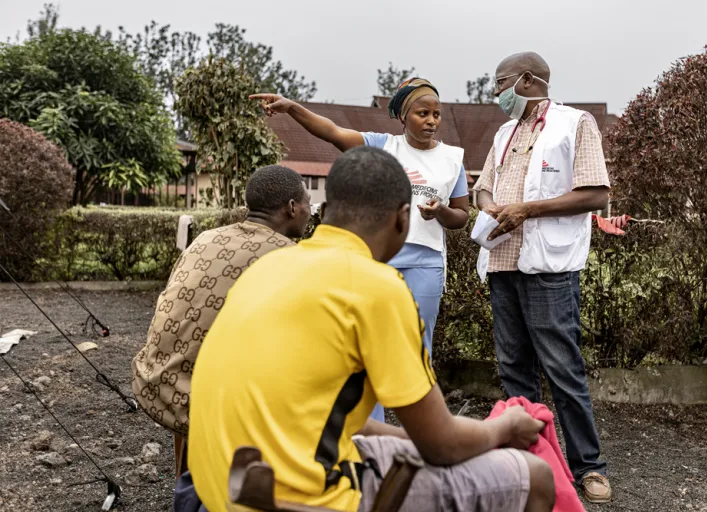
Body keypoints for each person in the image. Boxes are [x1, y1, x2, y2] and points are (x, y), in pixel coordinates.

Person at [181, 147, 555, 512]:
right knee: (535, 476)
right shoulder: (377, 286)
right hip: (300, 499)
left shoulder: (270, 267)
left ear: (325, 211)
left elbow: (331, 418)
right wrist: (504, 429)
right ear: (402, 218)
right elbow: (443, 445)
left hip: (222, 488)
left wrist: (434, 438)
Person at [472, 52, 612, 504]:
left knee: (562, 370)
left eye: (500, 83)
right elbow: (483, 186)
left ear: (528, 80)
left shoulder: (576, 124)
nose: (496, 93)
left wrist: (528, 209)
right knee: (514, 370)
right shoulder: (503, 131)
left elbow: (595, 192)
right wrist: (491, 205)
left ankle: (588, 466)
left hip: (548, 269)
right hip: (502, 262)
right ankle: (528, 463)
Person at [250, 78, 469, 359]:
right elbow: (333, 132)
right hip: (378, 258)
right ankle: (374, 404)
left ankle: (411, 401)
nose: (431, 121)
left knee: (417, 342)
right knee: (370, 342)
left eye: (436, 114)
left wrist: (440, 211)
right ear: (403, 116)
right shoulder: (382, 146)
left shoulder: (452, 158)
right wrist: (293, 107)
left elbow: (461, 216)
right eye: (422, 113)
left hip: (425, 262)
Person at [131, 165, 311, 478]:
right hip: (204, 402)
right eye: (308, 203)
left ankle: (186, 482)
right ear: (292, 207)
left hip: (154, 379)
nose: (311, 212)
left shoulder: (205, 238)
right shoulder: (290, 256)